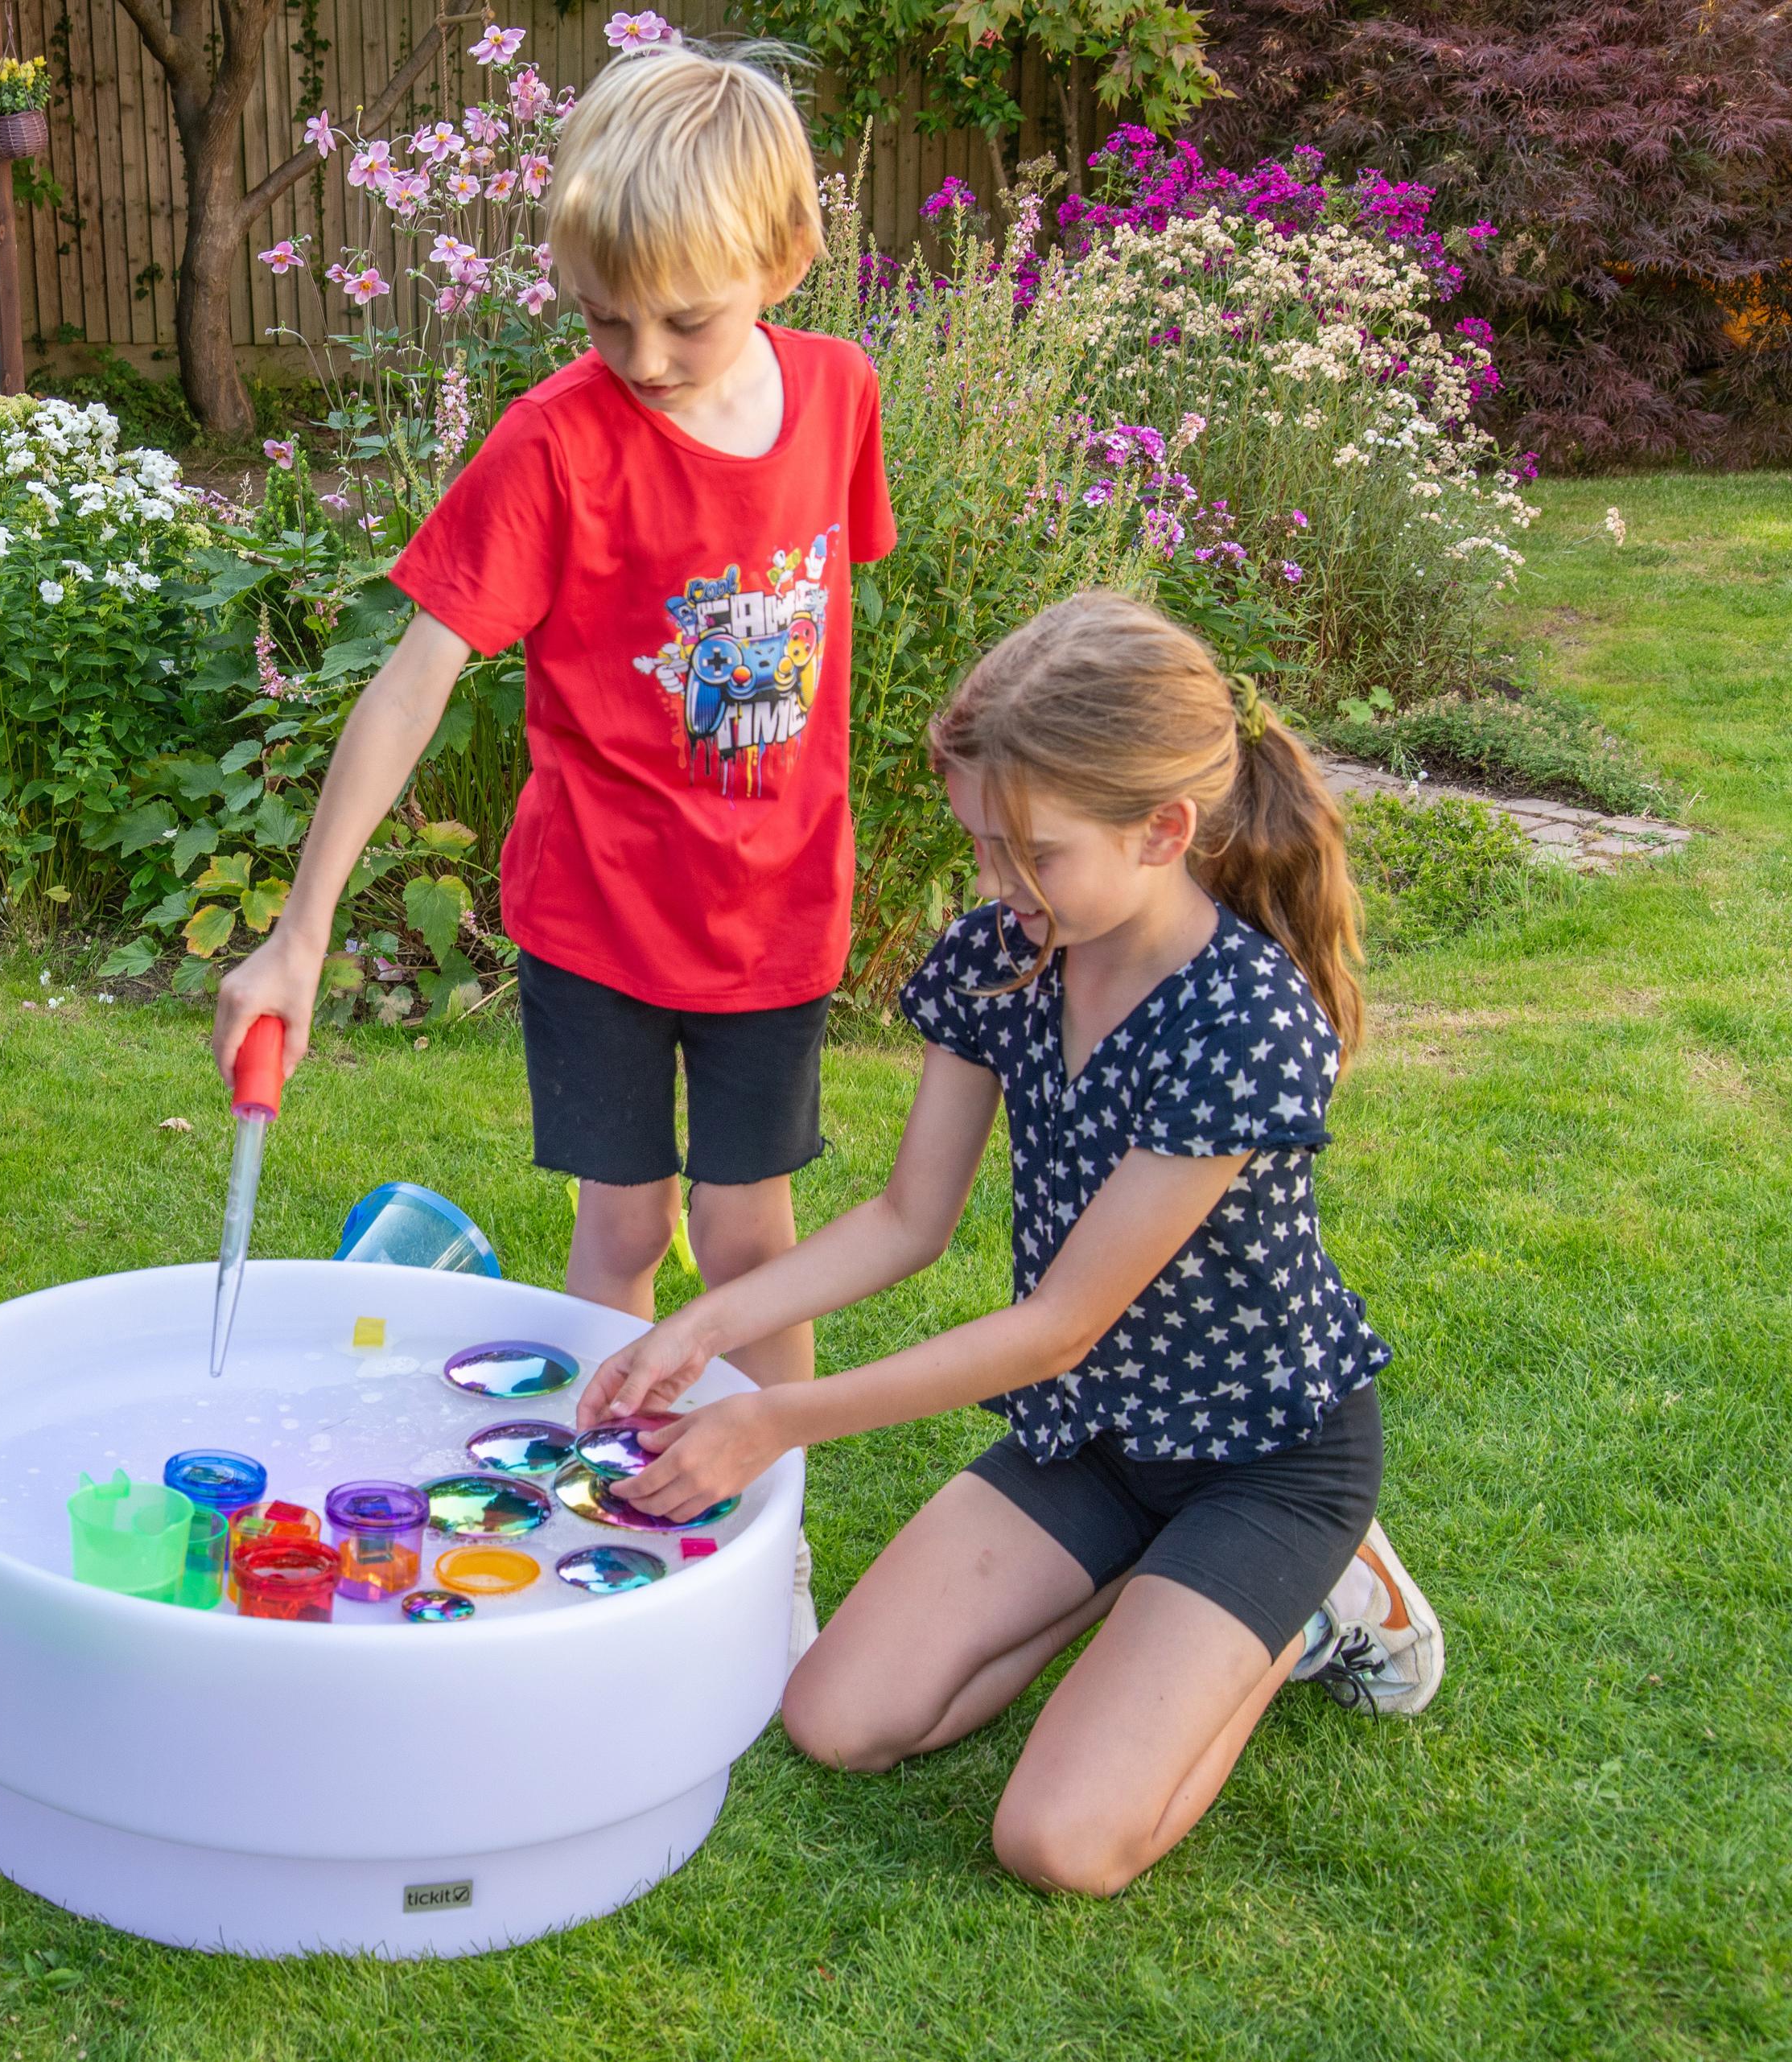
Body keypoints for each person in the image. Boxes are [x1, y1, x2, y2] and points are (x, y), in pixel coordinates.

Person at [575, 590, 1447, 1896]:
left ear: (1164, 832)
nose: (997, 887)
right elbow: (907, 1222)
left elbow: (1058, 1324)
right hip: (1092, 1436)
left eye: (1030, 854)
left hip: (1262, 1462)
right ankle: (1149, 1585)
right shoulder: (1005, 954)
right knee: (836, 1719)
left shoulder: (1245, 1022)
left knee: (1058, 1844)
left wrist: (780, 1419)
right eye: (983, 846)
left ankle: (1315, 1605)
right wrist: (699, 1328)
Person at [213, 35, 892, 1656]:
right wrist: (299, 931)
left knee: (751, 1240)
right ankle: (606, 1541)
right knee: (627, 1229)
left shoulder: (843, 400)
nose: (643, 358)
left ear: (781, 261)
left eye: (686, 318)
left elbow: (824, 628)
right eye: (605, 320)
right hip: (595, 918)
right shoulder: (555, 439)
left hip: (773, 918)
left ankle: (761, 1542)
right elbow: (412, 677)